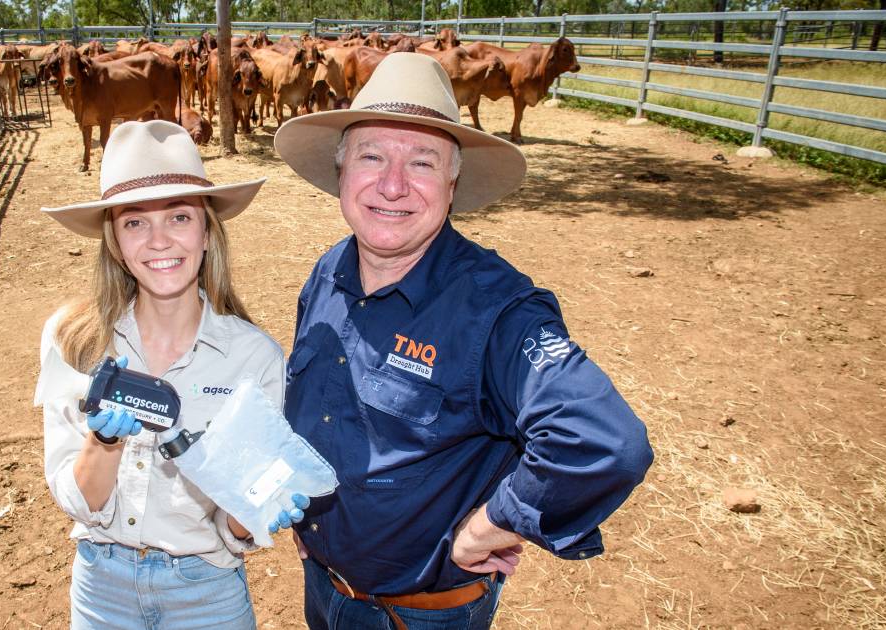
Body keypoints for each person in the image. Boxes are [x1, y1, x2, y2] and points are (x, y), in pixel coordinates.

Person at [271, 53, 655, 629]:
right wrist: (306, 520)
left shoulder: (496, 310)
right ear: (342, 171)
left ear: (452, 182)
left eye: (421, 162)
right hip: (323, 588)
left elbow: (604, 443)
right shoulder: (329, 271)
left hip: (419, 615)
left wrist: (493, 523)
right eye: (372, 156)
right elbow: (314, 414)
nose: (393, 184)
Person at [37, 120, 308, 629]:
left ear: (207, 233)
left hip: (206, 591)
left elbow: (238, 526)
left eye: (179, 217)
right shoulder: (73, 340)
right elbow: (79, 503)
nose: (159, 241)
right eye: (135, 223)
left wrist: (251, 510)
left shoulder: (255, 360)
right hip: (102, 589)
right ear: (115, 243)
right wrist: (102, 443)